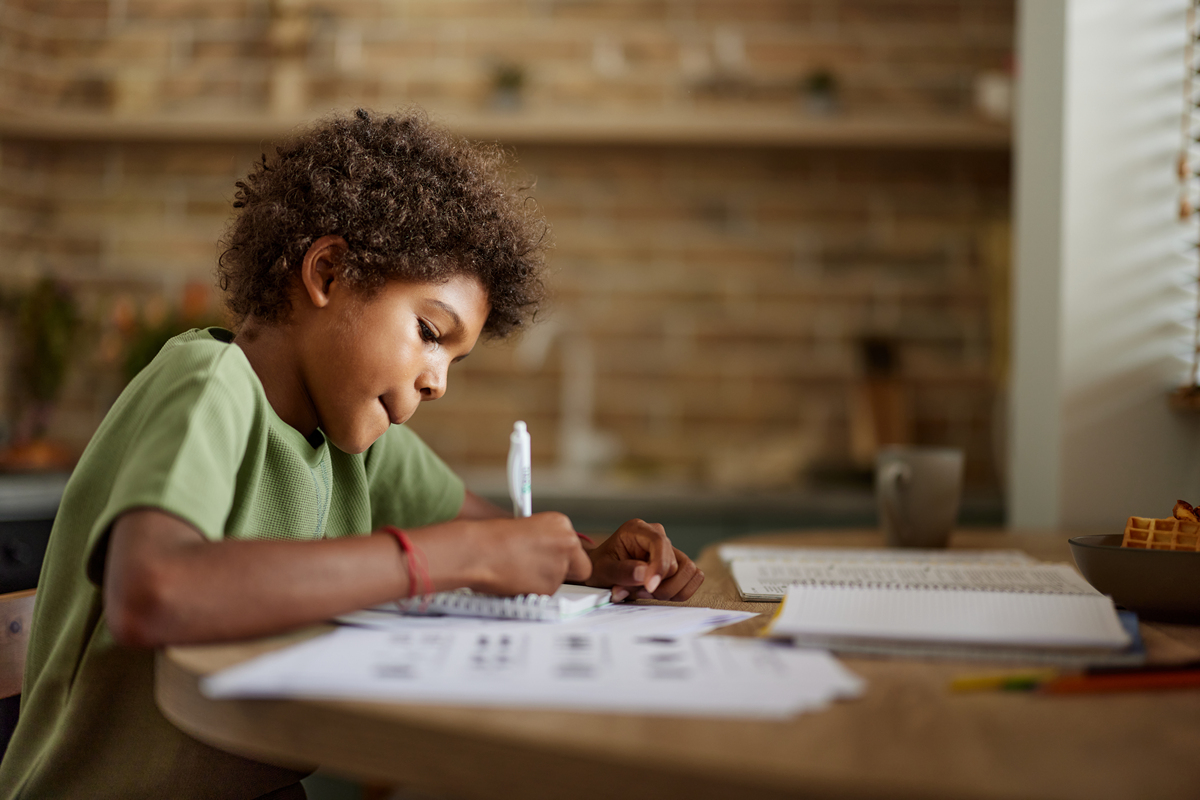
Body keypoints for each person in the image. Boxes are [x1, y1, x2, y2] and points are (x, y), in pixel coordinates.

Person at [0, 108, 704, 800]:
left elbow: (493, 539)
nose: (438, 381)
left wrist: (593, 559)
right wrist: (440, 561)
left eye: (455, 358)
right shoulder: (207, 388)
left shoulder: (353, 443)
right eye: (430, 331)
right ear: (329, 272)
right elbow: (152, 593)